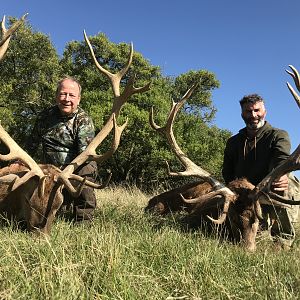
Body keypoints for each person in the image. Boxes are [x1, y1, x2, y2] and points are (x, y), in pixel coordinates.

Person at [222, 93, 298, 249]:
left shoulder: (278, 135)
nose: (253, 115)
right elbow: (227, 171)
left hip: (268, 188)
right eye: (248, 112)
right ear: (242, 114)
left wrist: (282, 174)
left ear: (265, 112)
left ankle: (283, 239)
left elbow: (282, 160)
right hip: (246, 193)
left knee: (284, 182)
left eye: (257, 110)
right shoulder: (234, 141)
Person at [26, 76, 98, 222]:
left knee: (87, 169)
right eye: (62, 94)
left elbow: (85, 155)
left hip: (74, 168)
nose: (66, 99)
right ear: (56, 96)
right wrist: (22, 162)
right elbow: (31, 145)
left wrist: (66, 171)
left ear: (78, 99)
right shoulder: (45, 117)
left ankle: (82, 219)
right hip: (49, 169)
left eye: (71, 95)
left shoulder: (83, 120)